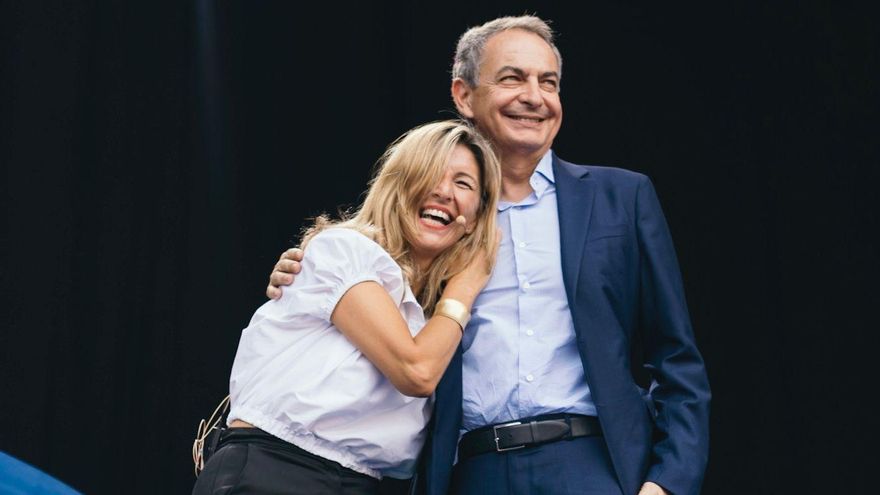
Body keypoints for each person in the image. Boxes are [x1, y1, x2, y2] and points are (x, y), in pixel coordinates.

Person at [269, 16, 710, 495]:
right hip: (471, 470)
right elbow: (362, 284)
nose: (534, 97)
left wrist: (667, 482)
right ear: (463, 96)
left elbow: (676, 359)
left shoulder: (622, 198)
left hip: (594, 464)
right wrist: (303, 273)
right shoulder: (433, 217)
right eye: (512, 78)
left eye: (549, 83)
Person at [193, 120, 501, 495]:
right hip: (279, 471)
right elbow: (416, 371)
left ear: (476, 218)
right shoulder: (343, 251)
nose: (443, 191)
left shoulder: (430, 324)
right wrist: (465, 287)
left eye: (463, 183)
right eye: (429, 173)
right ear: (397, 186)